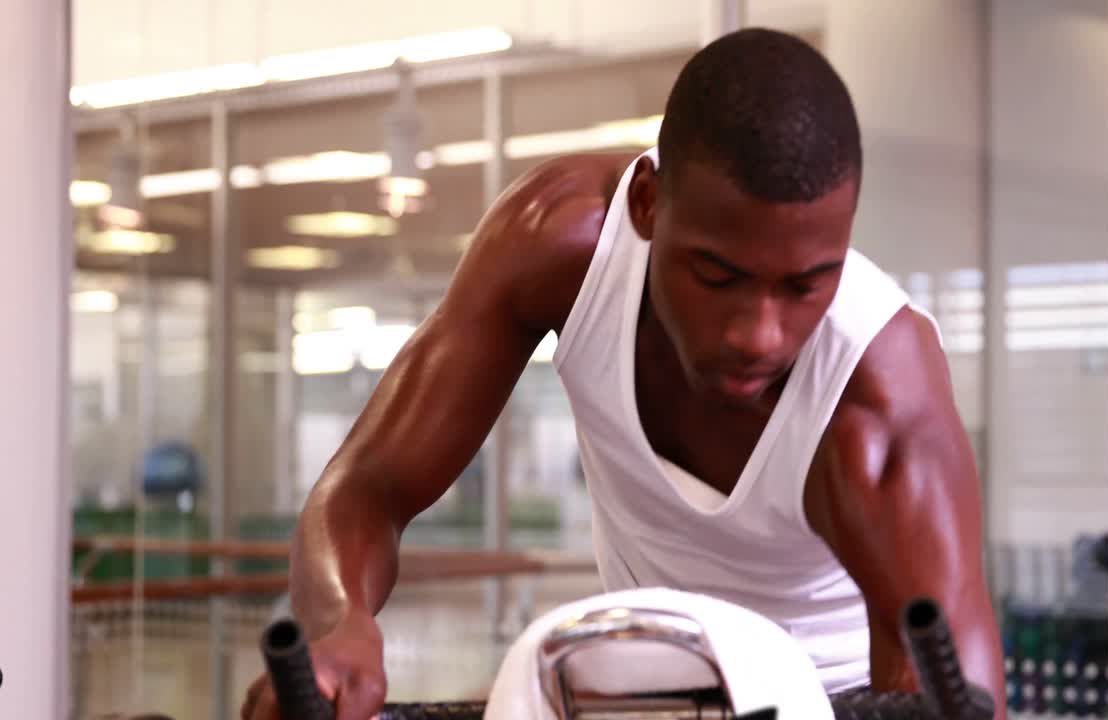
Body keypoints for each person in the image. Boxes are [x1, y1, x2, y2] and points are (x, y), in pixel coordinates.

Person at [242, 27, 1005, 720]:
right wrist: (340, 625)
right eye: (717, 274)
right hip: (633, 689)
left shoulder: (876, 395)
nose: (758, 334)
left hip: (836, 701)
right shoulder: (560, 247)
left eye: (805, 285)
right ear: (646, 204)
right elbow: (367, 488)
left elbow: (958, 697)